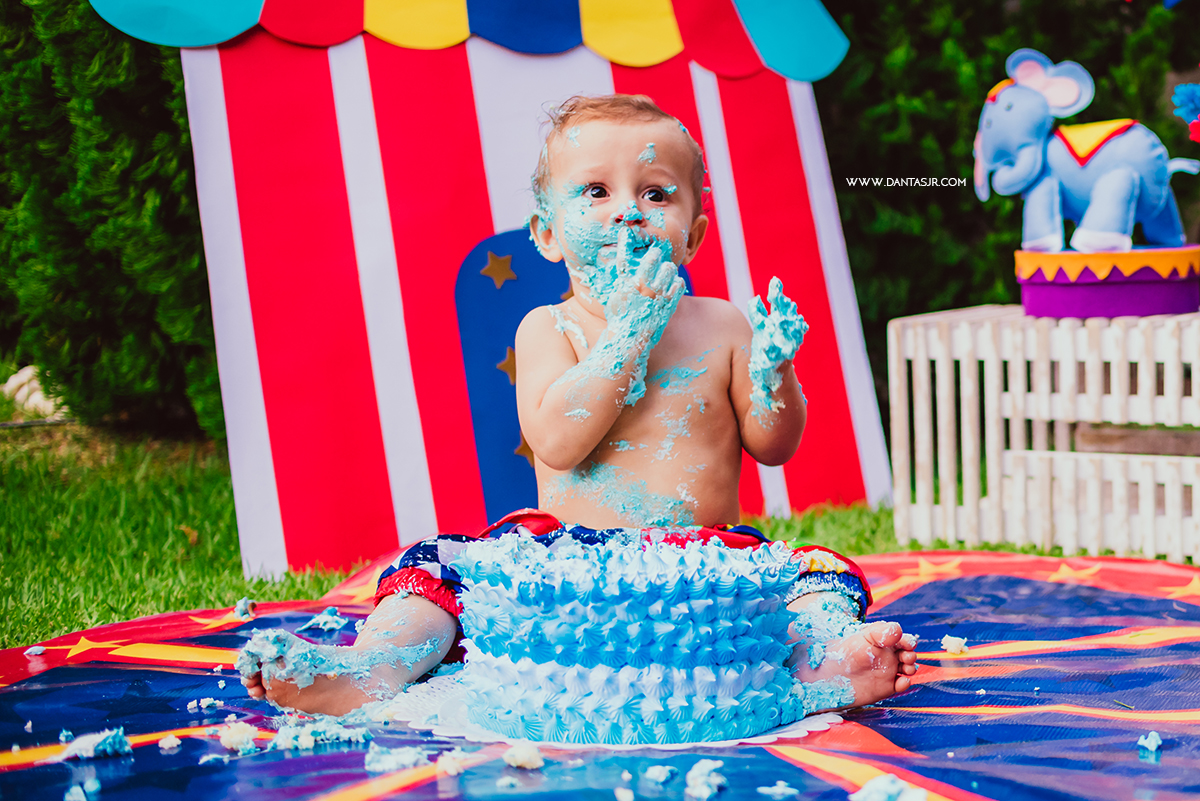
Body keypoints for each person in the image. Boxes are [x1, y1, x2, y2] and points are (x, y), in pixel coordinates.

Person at [242, 94, 918, 718]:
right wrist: (625, 336)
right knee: (434, 569)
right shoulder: (549, 328)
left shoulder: (723, 326)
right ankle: (374, 665)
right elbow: (558, 443)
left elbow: (774, 444)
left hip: (707, 562)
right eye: (595, 191)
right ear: (547, 233)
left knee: (818, 575)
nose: (627, 210)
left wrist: (774, 373)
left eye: (656, 193)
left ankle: (826, 660)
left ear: (694, 234)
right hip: (567, 560)